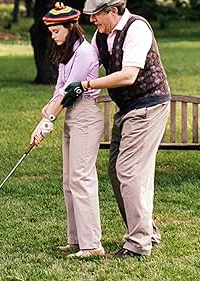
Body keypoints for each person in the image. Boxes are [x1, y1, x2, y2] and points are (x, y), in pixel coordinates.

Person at [62, 0, 171, 259]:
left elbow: (128, 75)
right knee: (116, 170)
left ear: (112, 11)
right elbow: (85, 61)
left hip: (149, 105)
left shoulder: (137, 29)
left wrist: (86, 84)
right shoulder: (102, 36)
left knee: (129, 171)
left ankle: (138, 244)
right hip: (128, 109)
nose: (92, 21)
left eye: (96, 15)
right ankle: (146, 231)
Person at [30, 2, 105, 258]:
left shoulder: (84, 52)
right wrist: (48, 110)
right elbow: (59, 88)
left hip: (85, 115)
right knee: (69, 181)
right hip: (73, 116)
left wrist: (48, 120)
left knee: (82, 179)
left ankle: (92, 245)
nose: (53, 36)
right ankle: (76, 240)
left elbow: (72, 89)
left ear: (71, 27)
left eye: (56, 31)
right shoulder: (67, 53)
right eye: (51, 32)